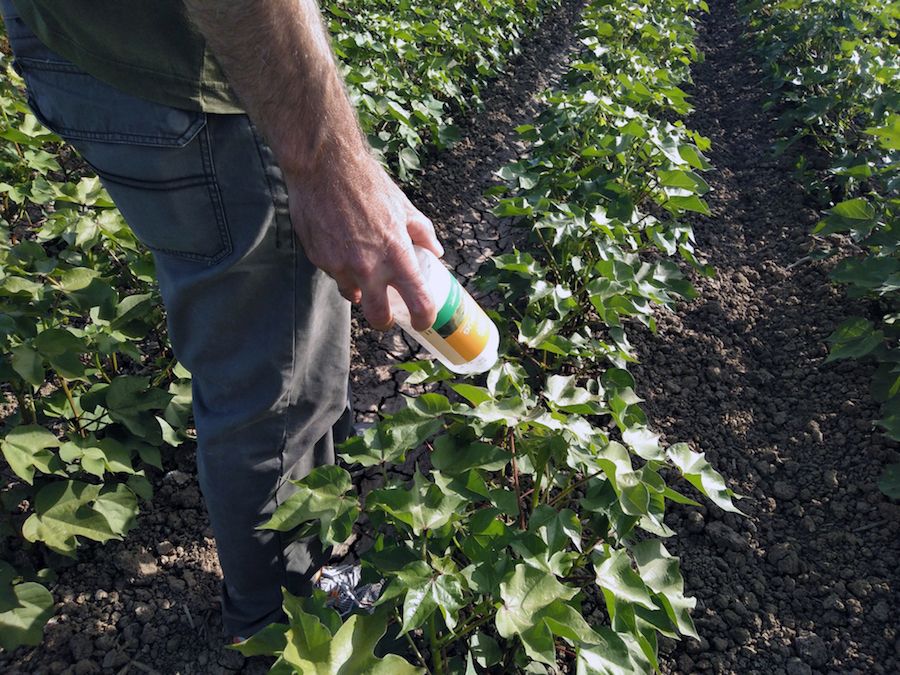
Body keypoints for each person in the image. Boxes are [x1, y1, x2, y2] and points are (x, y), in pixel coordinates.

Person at [0, 0, 443, 642]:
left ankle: (306, 517)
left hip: (73, 43)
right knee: (277, 389)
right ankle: (285, 617)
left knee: (258, 350)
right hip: (198, 72)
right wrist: (325, 164)